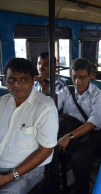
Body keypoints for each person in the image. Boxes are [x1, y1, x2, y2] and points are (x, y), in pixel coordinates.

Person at [0, 58, 58, 193]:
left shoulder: (45, 107)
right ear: (5, 81)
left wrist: (7, 178)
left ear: (33, 80)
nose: (17, 84)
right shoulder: (2, 102)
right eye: (11, 79)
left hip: (28, 170)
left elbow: (45, 151)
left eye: (24, 79)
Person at [57, 58, 101, 194]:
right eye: (74, 77)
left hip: (90, 134)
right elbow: (52, 106)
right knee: (45, 152)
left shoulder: (97, 95)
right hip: (67, 130)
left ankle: (81, 190)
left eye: (82, 77)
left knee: (79, 159)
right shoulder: (66, 91)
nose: (78, 81)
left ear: (90, 76)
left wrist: (69, 136)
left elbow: (93, 123)